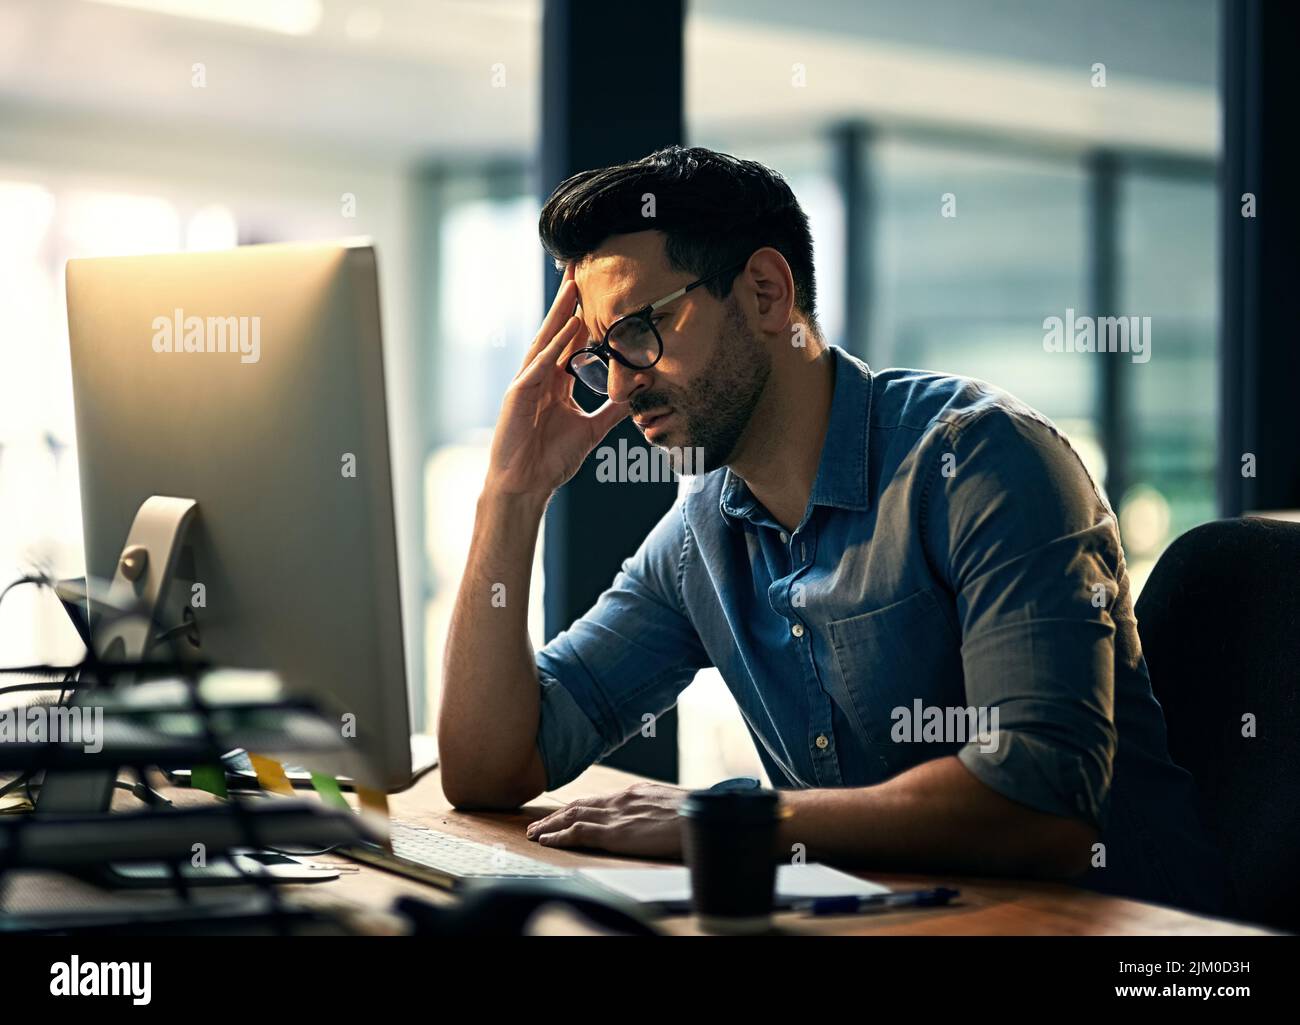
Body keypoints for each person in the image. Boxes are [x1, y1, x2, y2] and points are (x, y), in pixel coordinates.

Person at [438, 145, 1229, 914]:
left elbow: (1042, 795)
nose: (618, 385)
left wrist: (729, 826)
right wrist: (513, 493)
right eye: (601, 354)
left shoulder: (981, 462)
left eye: (641, 330)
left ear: (764, 292)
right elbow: (489, 766)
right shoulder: (700, 540)